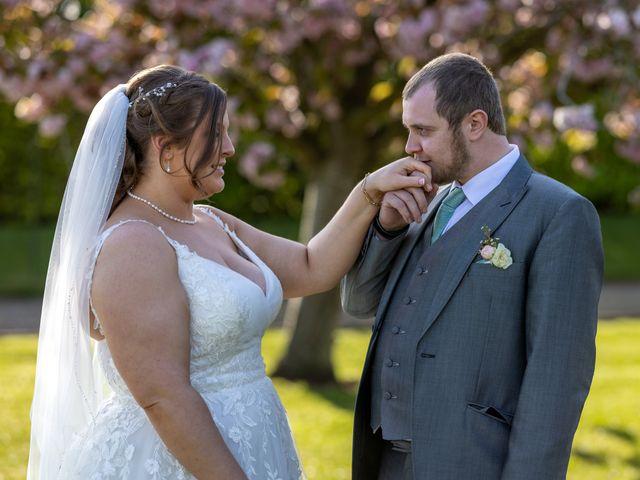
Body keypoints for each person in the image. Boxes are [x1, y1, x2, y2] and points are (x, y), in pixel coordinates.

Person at [27, 64, 433, 480]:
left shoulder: (210, 221)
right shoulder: (133, 244)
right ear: (166, 148)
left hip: (255, 439)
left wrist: (370, 192)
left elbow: (312, 268)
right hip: (179, 460)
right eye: (216, 134)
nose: (230, 148)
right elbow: (164, 397)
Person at [341, 52, 604, 479]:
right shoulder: (423, 202)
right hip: (385, 460)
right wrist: (386, 229)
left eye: (422, 131)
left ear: (475, 124)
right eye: (409, 130)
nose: (410, 147)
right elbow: (357, 303)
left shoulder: (558, 213)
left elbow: (556, 379)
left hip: (474, 463)